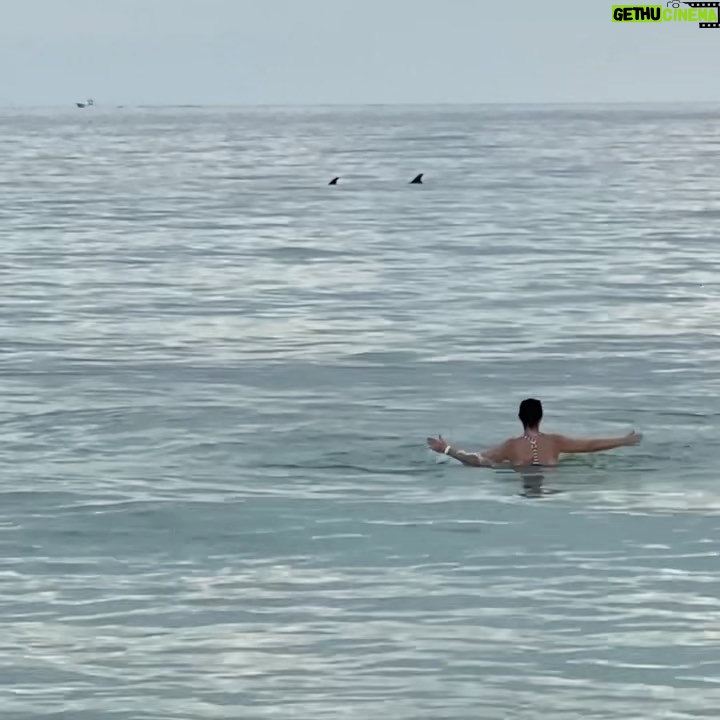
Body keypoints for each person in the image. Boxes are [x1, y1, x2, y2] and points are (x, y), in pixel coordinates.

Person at [426, 398, 641, 468]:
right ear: (541, 417)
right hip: (552, 482)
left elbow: (476, 460)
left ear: (520, 418)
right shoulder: (555, 442)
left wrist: (446, 449)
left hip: (520, 478)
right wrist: (623, 440)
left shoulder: (511, 446)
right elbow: (590, 446)